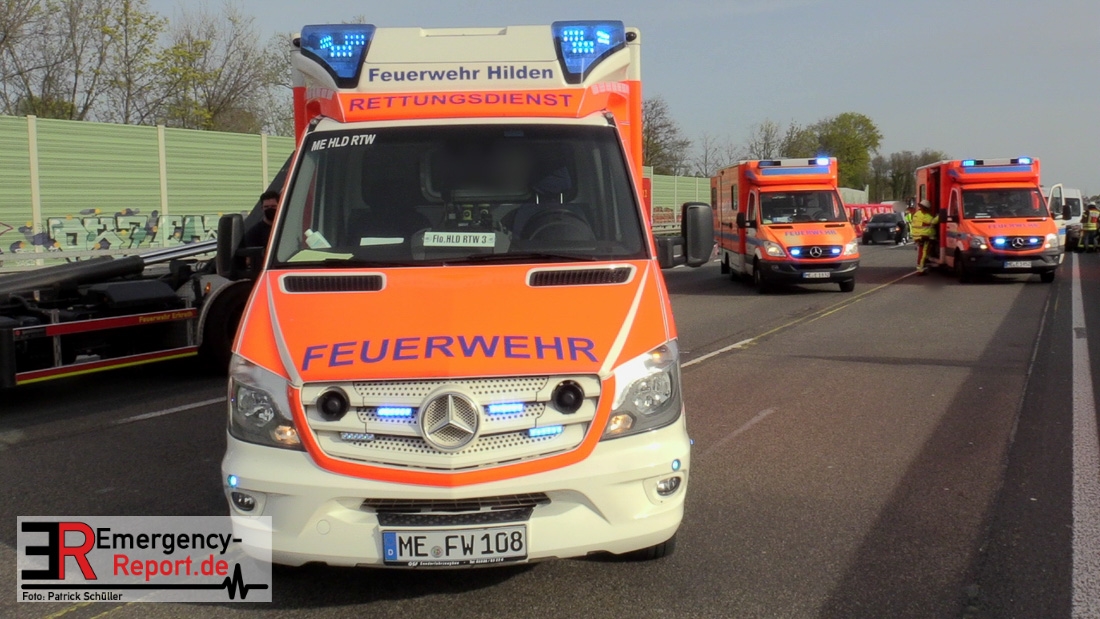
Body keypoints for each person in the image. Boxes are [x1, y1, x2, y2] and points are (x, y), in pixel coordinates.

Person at [911, 199, 939, 274]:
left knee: (922, 252)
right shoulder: (925, 215)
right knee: (923, 253)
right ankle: (920, 269)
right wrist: (939, 216)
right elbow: (933, 221)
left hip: (918, 236)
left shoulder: (917, 214)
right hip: (924, 237)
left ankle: (922, 267)